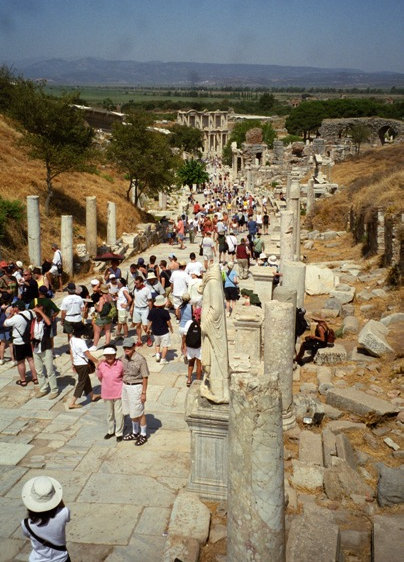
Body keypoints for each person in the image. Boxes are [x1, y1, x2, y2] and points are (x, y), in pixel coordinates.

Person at [21, 475, 70, 562]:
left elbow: (27, 535)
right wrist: (57, 498)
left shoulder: (26, 524)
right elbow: (63, 508)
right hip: (61, 559)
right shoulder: (64, 513)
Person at [121, 337, 149, 445]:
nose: (126, 349)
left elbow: (145, 377)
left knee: (139, 412)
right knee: (132, 412)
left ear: (134, 346)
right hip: (125, 386)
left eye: (128, 347)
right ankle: (135, 432)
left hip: (136, 387)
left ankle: (143, 434)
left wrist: (143, 393)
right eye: (125, 347)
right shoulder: (123, 357)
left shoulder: (140, 359)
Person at [4, 300, 37, 386]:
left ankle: (23, 380)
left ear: (17, 308)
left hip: (18, 342)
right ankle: (35, 378)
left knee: (20, 362)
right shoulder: (30, 313)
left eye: (14, 307)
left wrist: (11, 314)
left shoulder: (15, 318)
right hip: (28, 340)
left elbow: (5, 324)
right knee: (31, 360)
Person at [68, 323, 100, 409]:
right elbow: (87, 354)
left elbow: (71, 351)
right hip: (83, 364)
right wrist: (97, 361)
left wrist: (73, 363)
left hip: (77, 364)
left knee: (86, 379)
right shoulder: (81, 342)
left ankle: (92, 395)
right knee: (81, 382)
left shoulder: (72, 339)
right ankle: (72, 402)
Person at [97, 346, 124, 442]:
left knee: (119, 414)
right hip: (106, 393)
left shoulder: (120, 364)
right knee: (109, 414)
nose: (109, 357)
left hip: (118, 392)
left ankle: (119, 432)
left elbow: (123, 376)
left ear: (115, 355)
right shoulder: (101, 365)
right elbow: (100, 377)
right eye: (107, 355)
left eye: (111, 355)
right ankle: (110, 431)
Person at [31, 304, 59, 399]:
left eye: (39, 311)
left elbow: (49, 323)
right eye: (36, 311)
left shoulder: (46, 320)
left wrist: (41, 312)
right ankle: (43, 388)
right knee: (39, 371)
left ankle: (54, 390)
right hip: (36, 347)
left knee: (49, 370)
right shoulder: (34, 321)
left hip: (46, 347)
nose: (37, 313)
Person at [147, 294, 173, 364]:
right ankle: (163, 359)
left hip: (155, 331)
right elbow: (168, 322)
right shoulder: (165, 312)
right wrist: (171, 328)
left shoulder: (152, 311)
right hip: (164, 332)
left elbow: (150, 321)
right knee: (165, 346)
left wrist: (148, 329)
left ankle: (158, 354)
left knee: (157, 344)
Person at [91, 284, 114, 350]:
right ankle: (107, 344)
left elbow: (100, 310)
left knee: (97, 332)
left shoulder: (102, 298)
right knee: (107, 331)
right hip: (108, 317)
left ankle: (94, 346)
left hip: (101, 317)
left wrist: (96, 306)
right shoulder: (110, 297)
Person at [130, 276, 153, 347]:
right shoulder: (135, 289)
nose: (135, 285)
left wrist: (151, 311)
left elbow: (149, 301)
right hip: (136, 309)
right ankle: (139, 340)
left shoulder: (147, 290)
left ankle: (148, 338)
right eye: (135, 283)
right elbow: (134, 298)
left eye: (137, 283)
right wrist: (132, 307)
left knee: (145, 326)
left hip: (144, 309)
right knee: (138, 325)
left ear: (141, 282)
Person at [184, 308, 202, 387]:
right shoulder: (203, 323)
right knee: (199, 365)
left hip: (190, 346)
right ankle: (198, 381)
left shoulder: (189, 322)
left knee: (191, 363)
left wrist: (183, 345)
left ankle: (189, 379)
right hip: (199, 347)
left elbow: (184, 335)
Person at [178, 293, 193, 358]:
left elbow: (179, 317)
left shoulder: (180, 307)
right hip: (189, 326)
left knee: (183, 340)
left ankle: (183, 352)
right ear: (189, 299)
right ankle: (186, 353)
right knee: (188, 341)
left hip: (182, 326)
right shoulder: (192, 306)